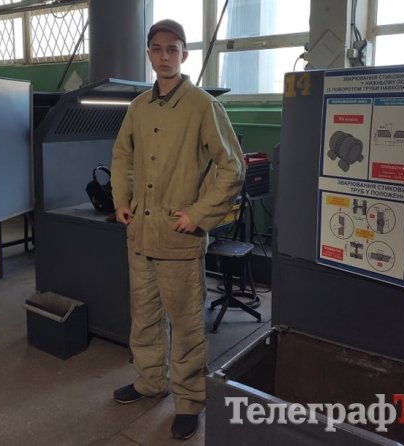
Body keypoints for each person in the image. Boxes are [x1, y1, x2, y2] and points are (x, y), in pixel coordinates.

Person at [110, 19, 245, 440]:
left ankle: (188, 401)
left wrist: (199, 215)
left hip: (179, 238)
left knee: (186, 326)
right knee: (144, 318)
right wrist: (121, 199)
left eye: (173, 49)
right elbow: (122, 156)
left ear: (185, 54)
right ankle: (150, 382)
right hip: (141, 237)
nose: (164, 56)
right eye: (157, 48)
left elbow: (232, 167)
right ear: (149, 54)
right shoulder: (138, 107)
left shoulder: (202, 106)